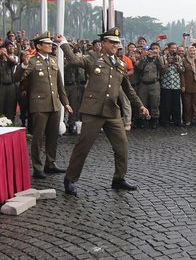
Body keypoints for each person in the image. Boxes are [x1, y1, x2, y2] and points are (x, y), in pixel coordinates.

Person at [55, 27, 150, 196]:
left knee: (122, 146)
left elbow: (128, 90)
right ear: (103, 43)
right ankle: (70, 179)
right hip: (93, 111)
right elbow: (74, 60)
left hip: (112, 111)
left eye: (117, 43)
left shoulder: (120, 64)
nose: (115, 45)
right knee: (83, 147)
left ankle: (119, 178)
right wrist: (63, 43)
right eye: (112, 42)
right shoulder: (93, 58)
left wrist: (140, 106)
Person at [14, 31, 73, 179]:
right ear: (39, 46)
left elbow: (60, 85)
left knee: (53, 136)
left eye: (51, 44)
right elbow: (16, 78)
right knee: (38, 137)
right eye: (47, 44)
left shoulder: (53, 61)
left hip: (54, 104)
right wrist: (23, 65)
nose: (50, 46)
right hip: (39, 104)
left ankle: (50, 163)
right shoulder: (32, 61)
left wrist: (65, 103)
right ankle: (37, 167)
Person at [181, 45, 196, 126]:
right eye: (190, 51)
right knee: (187, 104)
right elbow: (182, 75)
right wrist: (183, 85)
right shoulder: (184, 61)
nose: (192, 52)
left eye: (193, 51)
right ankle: (188, 120)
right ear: (187, 52)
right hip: (187, 86)